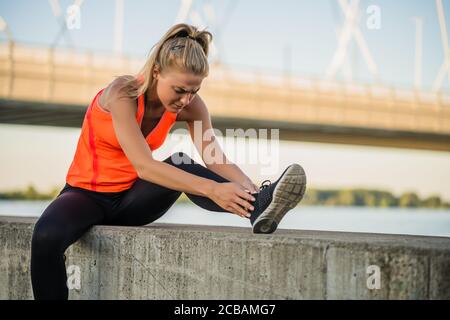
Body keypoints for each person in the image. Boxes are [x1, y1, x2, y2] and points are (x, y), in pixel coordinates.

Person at [30, 23, 307, 300]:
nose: (186, 99)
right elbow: (144, 165)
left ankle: (260, 203)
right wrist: (212, 189)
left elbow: (214, 158)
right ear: (156, 72)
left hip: (133, 201)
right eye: (179, 90)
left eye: (194, 91)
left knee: (180, 162)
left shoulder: (192, 107)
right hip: (85, 196)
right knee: (45, 237)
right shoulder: (122, 94)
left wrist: (250, 186)